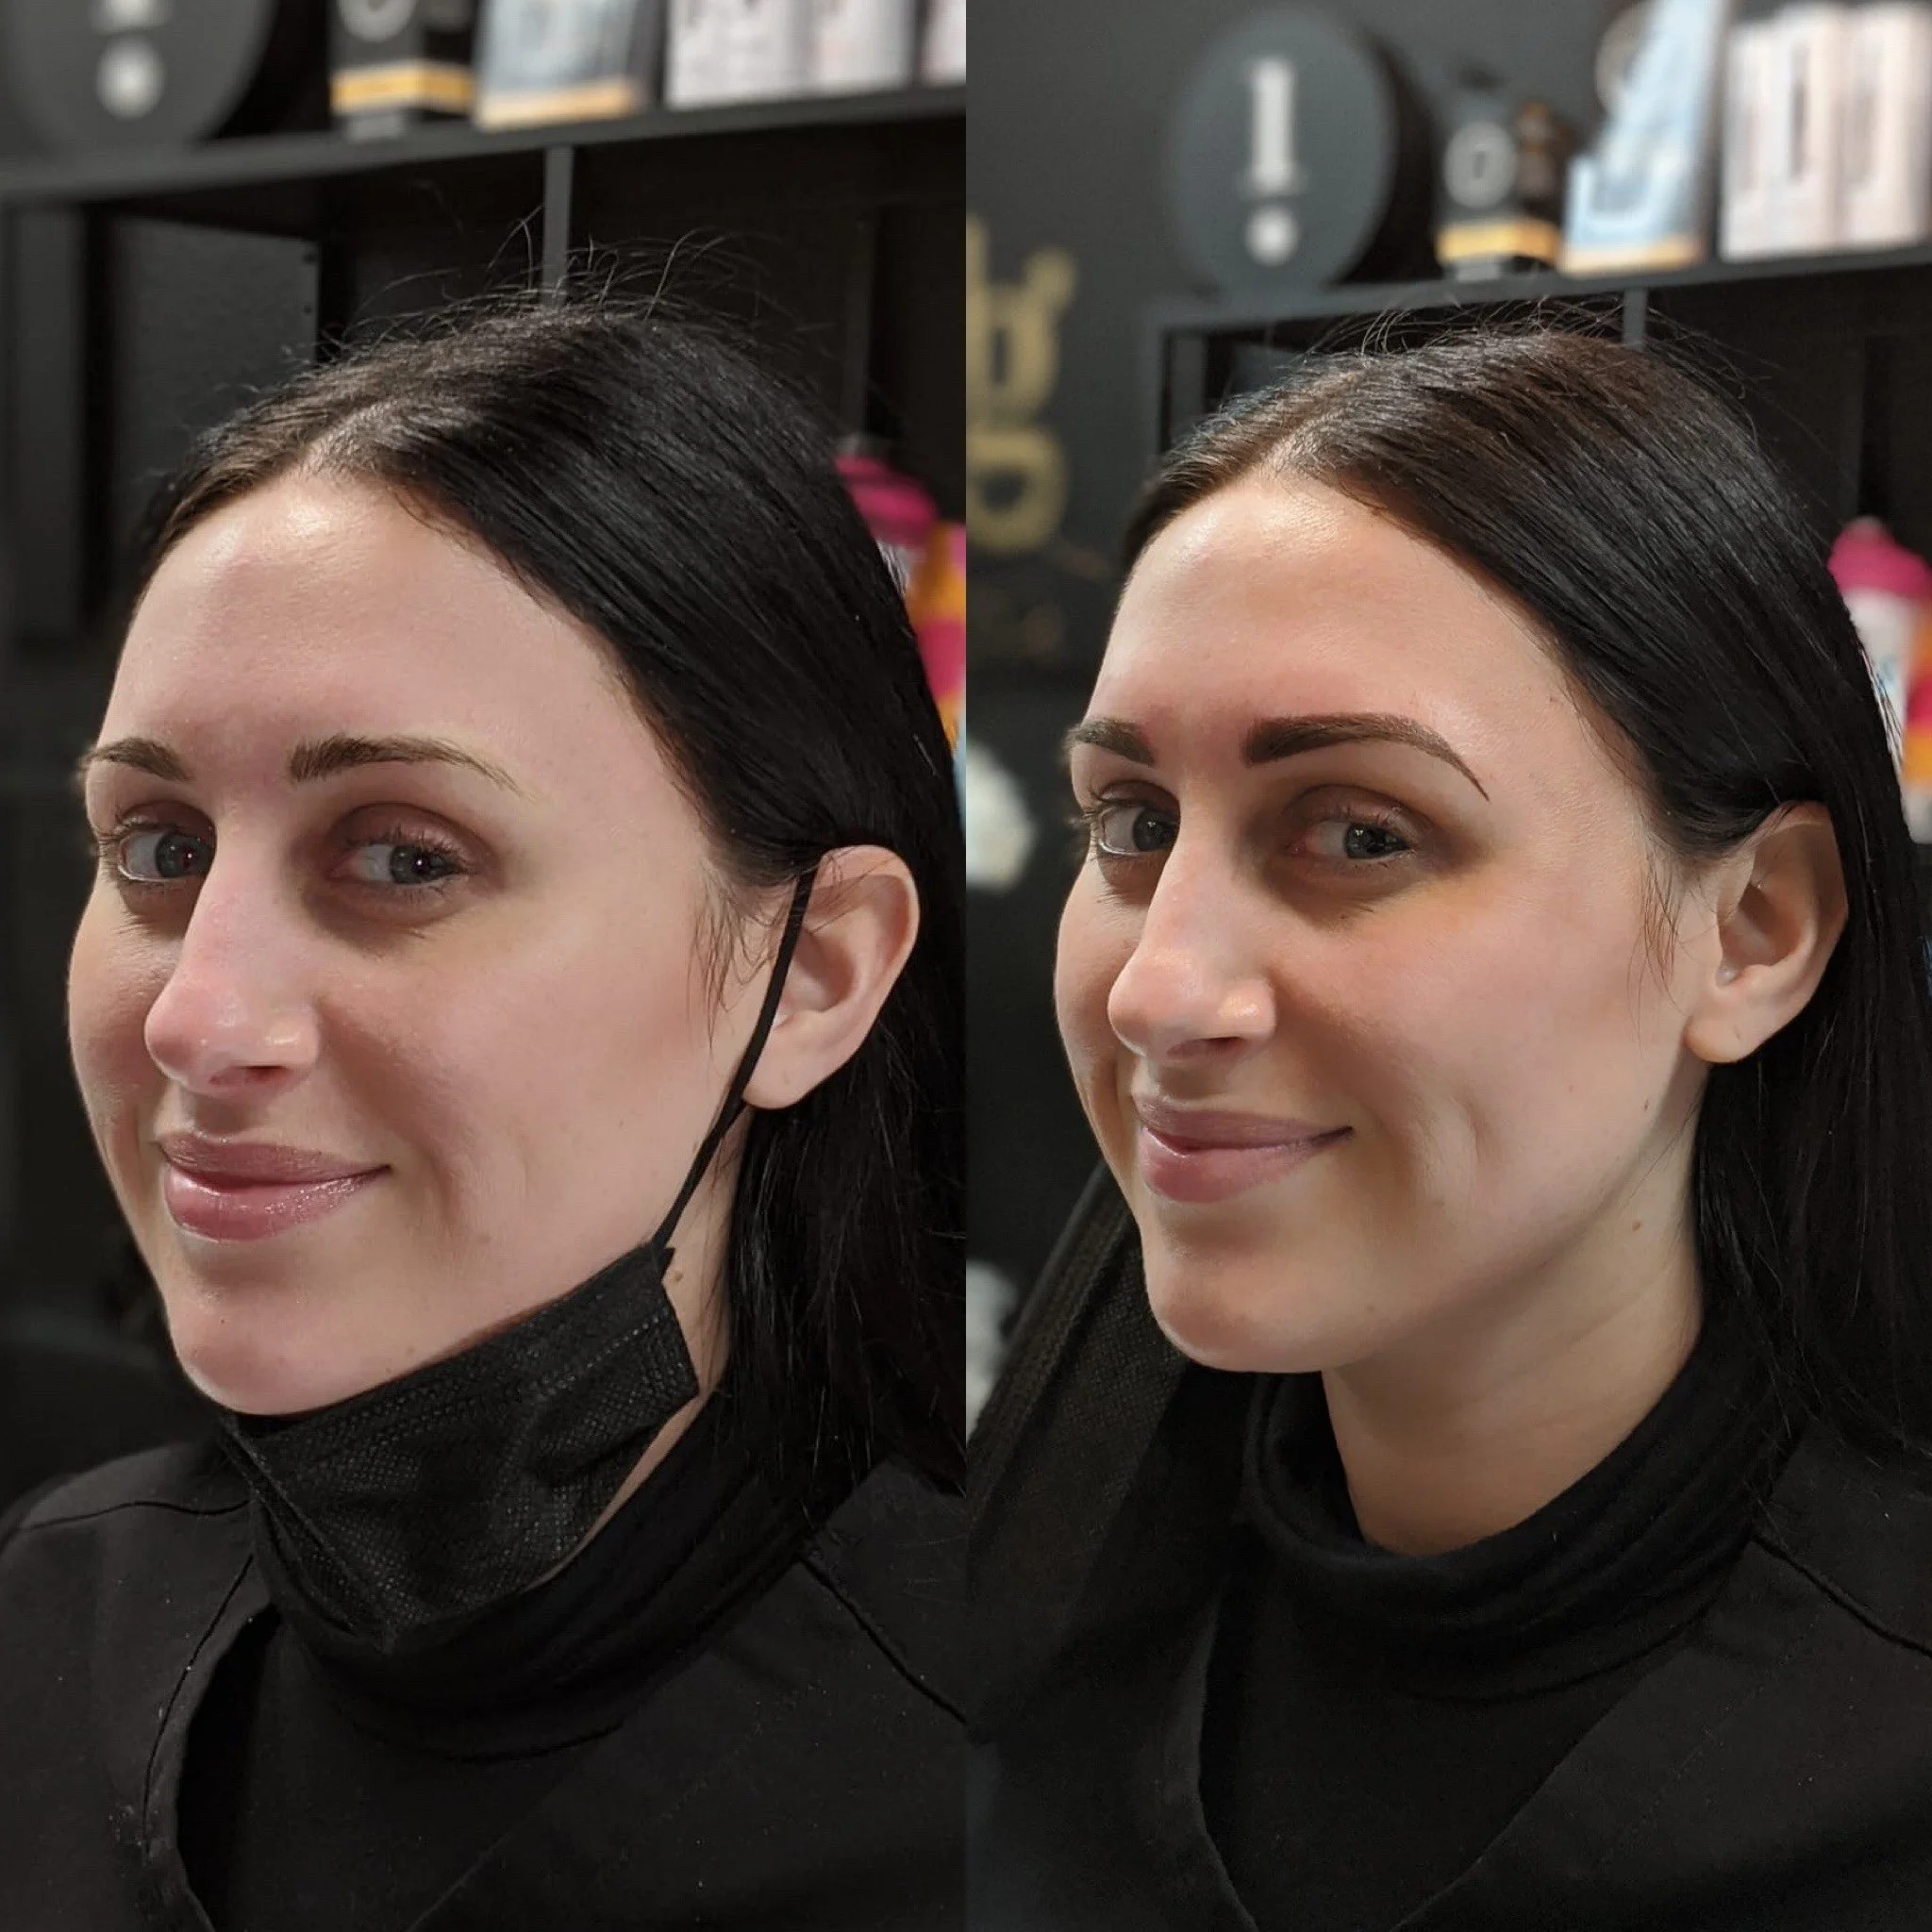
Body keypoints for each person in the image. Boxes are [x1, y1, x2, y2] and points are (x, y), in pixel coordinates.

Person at [0, 296, 963, 1931]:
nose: (197, 1016)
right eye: (158, 850)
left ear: (811, 975)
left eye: (403, 857)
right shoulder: (50, 1615)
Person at [970, 327, 1932, 1931]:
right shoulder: (994, 1627)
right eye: (1132, 825)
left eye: (1360, 831)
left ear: (1753, 928)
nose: (1160, 987)